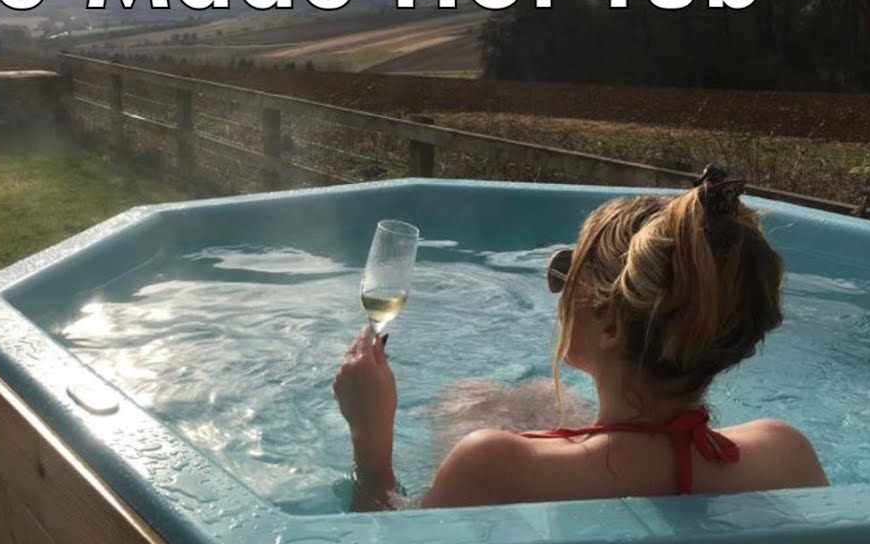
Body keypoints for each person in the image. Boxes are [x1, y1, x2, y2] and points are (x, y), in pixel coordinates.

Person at [333, 166, 830, 512]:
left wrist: (370, 440)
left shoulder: (492, 468)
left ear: (611, 326)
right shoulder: (786, 456)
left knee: (480, 399)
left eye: (569, 276)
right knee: (528, 402)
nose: (561, 292)